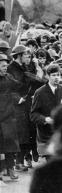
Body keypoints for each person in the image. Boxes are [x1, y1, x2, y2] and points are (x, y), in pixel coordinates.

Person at [30, 64, 62, 161]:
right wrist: (45, 119)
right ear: (48, 76)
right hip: (46, 135)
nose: (56, 78)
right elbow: (33, 115)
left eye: (58, 75)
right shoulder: (40, 92)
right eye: (53, 75)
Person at [0, 54, 21, 182]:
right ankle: (1, 170)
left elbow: (19, 85)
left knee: (10, 143)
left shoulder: (8, 77)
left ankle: (11, 169)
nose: (5, 68)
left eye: (6, 65)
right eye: (2, 66)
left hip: (8, 115)